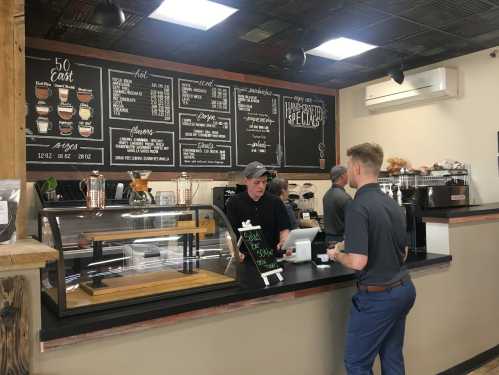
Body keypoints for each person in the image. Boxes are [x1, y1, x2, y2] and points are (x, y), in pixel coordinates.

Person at [327, 143, 416, 375]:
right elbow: (402, 252)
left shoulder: (358, 206)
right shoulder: (392, 204)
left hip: (378, 297)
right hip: (403, 289)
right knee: (392, 356)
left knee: (357, 363)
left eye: (348, 166)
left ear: (356, 168)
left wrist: (337, 255)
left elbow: (358, 262)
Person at [226, 161, 291, 261]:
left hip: (272, 259)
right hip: (246, 260)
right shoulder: (234, 202)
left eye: (264, 182)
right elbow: (230, 234)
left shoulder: (276, 202)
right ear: (246, 181)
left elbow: (284, 229)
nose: (261, 186)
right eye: (257, 182)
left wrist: (285, 243)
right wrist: (234, 251)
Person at [322, 165, 352, 244]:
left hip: (328, 239)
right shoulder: (345, 198)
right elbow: (351, 224)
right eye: (347, 174)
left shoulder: (326, 195)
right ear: (342, 176)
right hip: (340, 241)